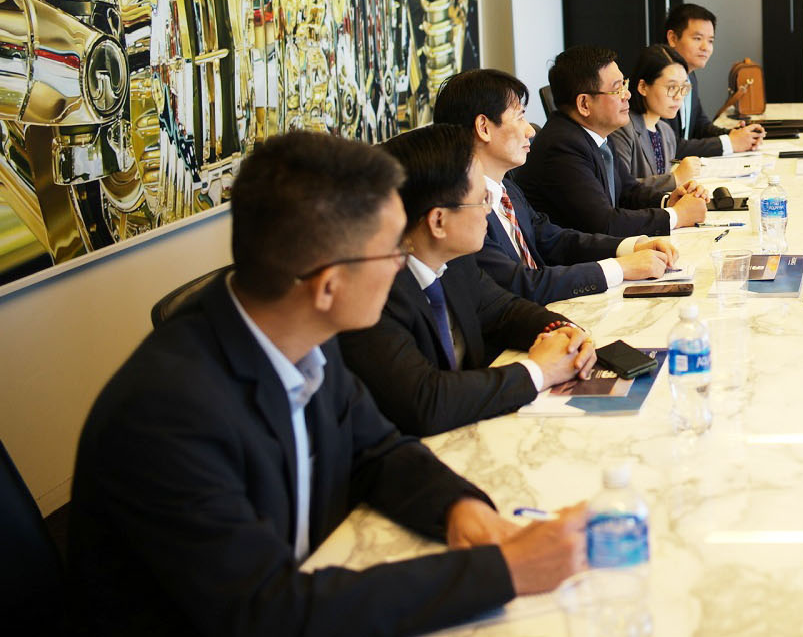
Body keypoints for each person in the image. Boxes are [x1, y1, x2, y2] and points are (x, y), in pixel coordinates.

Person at [69, 131, 587, 637]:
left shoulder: (301, 333)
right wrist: (504, 571)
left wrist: (460, 509)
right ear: (328, 285)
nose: (402, 263)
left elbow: (377, 450)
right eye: (391, 250)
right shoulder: (166, 414)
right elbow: (267, 612)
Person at [338, 125, 597, 437]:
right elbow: (425, 400)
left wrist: (563, 333)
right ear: (438, 221)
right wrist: (538, 371)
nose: (488, 211)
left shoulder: (456, 261)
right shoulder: (375, 292)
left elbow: (506, 310)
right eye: (481, 199)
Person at [433, 68, 680, 303]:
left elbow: (553, 239)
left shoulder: (507, 187)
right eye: (520, 116)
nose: (530, 131)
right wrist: (619, 268)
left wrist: (632, 246)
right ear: (484, 128)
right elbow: (520, 284)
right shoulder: (462, 211)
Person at [516, 45, 709, 237]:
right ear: (584, 104)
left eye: (625, 84)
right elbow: (604, 223)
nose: (627, 94)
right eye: (617, 89)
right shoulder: (562, 146)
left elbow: (628, 191)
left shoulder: (595, 134)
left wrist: (670, 200)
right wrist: (676, 216)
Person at [662, 2, 764, 157]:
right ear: (673, 38)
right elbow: (668, 146)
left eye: (710, 40)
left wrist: (737, 134)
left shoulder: (690, 76)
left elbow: (701, 127)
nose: (706, 47)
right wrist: (730, 143)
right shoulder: (659, 80)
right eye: (697, 38)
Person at [611, 45, 702, 194]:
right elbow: (620, 188)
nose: (679, 96)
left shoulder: (666, 132)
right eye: (671, 87)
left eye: (684, 87)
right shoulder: (622, 129)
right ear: (643, 87)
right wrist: (675, 178)